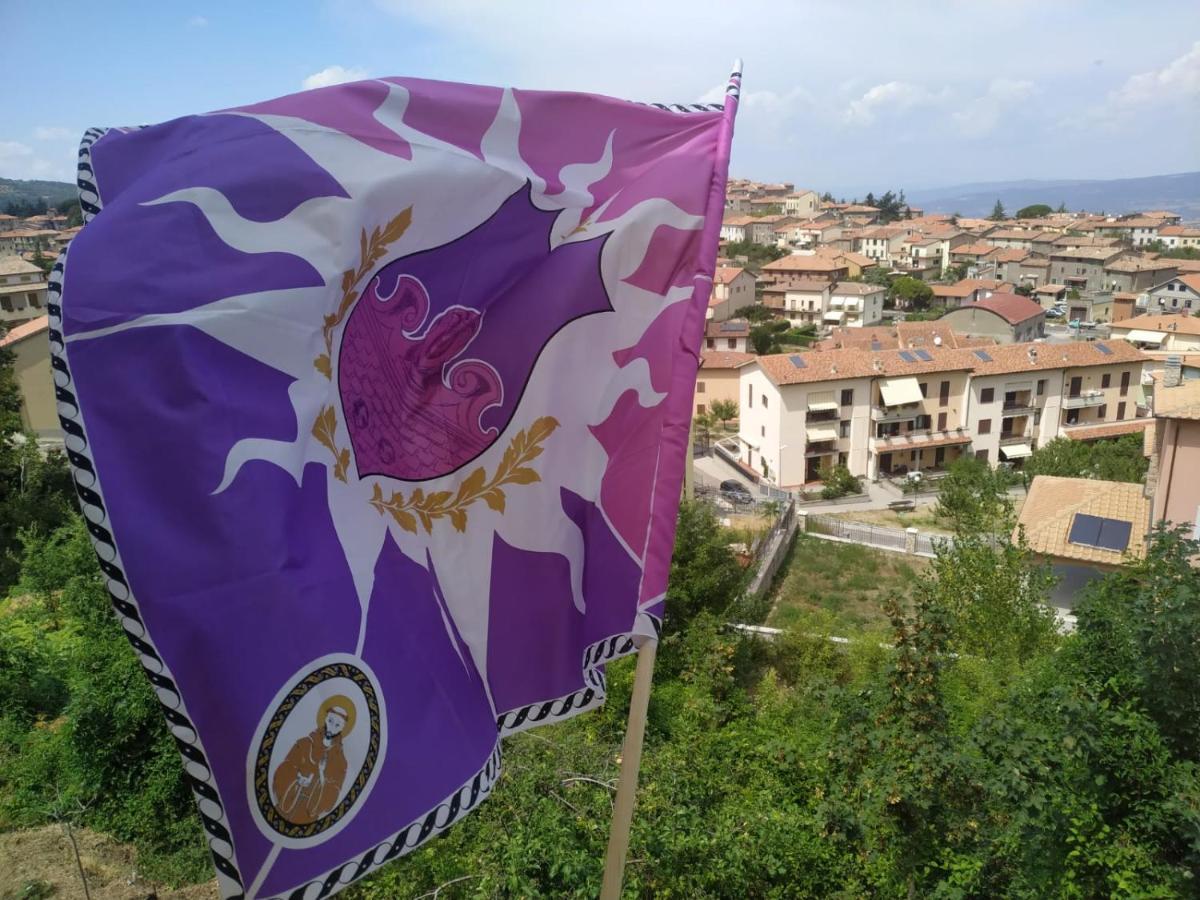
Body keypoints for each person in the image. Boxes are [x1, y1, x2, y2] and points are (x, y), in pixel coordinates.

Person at [272, 695, 355, 824]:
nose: (332, 727)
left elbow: (334, 793)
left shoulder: (340, 761)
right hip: (288, 801)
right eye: (330, 721)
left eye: (337, 725)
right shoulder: (304, 743)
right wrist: (297, 778)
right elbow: (285, 766)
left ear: (342, 728)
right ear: (325, 719)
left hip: (307, 815)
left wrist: (321, 776)